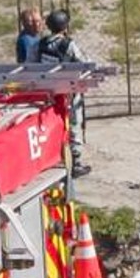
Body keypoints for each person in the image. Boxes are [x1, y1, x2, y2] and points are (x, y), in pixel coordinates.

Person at [36, 10, 89, 176]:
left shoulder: (41, 44)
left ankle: (54, 156)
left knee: (53, 124)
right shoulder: (68, 45)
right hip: (68, 91)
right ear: (65, 26)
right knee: (73, 123)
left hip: (48, 91)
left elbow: (32, 63)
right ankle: (76, 161)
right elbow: (84, 64)